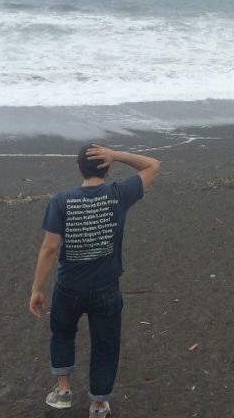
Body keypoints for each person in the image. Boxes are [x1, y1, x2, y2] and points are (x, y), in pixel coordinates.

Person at [29, 143, 160, 417]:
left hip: (69, 287)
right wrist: (116, 155)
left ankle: (63, 390)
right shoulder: (119, 194)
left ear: (79, 168)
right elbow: (152, 165)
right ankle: (98, 405)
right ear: (107, 168)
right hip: (106, 289)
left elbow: (50, 248)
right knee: (105, 346)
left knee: (63, 334)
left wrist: (37, 289)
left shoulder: (61, 200)